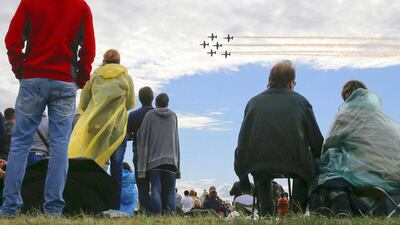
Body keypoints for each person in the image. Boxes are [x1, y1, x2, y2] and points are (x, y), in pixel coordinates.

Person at [2, 0, 95, 216]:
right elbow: (88, 49)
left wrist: (20, 70)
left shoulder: (29, 3)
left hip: (33, 77)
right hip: (64, 80)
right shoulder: (81, 7)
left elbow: (12, 40)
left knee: (20, 143)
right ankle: (53, 209)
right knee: (60, 144)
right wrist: (80, 78)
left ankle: (9, 208)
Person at [234, 60, 323, 216]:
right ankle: (296, 212)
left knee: (260, 168)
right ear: (290, 83)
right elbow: (316, 142)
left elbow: (243, 141)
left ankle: (267, 211)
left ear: (269, 81)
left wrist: (243, 176)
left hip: (259, 163)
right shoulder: (301, 102)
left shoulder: (253, 103)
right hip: (295, 162)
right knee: (308, 167)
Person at [312, 80, 400, 216]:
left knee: (328, 173)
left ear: (347, 98)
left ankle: (342, 212)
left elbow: (328, 144)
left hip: (367, 178)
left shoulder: (344, 116)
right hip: (395, 179)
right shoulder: (383, 119)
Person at [69, 49, 135, 211]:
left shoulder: (95, 76)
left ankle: (93, 204)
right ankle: (114, 207)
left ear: (104, 60)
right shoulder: (126, 78)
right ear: (119, 60)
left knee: (93, 166)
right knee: (116, 167)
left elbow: (83, 103)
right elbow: (130, 104)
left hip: (95, 128)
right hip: (117, 130)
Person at [137, 93, 180, 215]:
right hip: (171, 159)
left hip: (154, 160)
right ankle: (171, 215)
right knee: (171, 191)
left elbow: (142, 136)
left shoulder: (150, 115)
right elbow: (176, 140)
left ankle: (157, 214)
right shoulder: (173, 116)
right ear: (168, 103)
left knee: (156, 188)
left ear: (156, 103)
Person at [127, 86, 154, 213]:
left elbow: (127, 136)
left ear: (140, 99)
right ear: (152, 98)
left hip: (139, 154)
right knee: (156, 186)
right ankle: (156, 211)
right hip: (156, 155)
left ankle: (144, 211)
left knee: (142, 186)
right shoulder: (157, 114)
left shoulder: (133, 115)